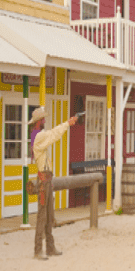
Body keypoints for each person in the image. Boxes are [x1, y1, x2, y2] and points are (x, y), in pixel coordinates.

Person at [30, 106, 78, 260]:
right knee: (42, 215)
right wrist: (67, 124)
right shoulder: (38, 136)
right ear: (39, 121)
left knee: (49, 215)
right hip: (44, 180)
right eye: (43, 119)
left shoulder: (37, 136)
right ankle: (38, 249)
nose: (44, 120)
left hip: (47, 179)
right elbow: (53, 134)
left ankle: (50, 247)